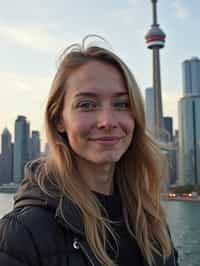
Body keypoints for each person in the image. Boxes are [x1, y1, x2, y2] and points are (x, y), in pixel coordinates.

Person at [0, 35, 178, 266]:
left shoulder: (151, 223)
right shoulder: (20, 238)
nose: (108, 121)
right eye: (87, 105)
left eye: (122, 104)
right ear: (59, 120)